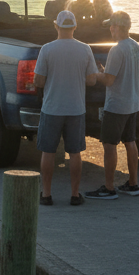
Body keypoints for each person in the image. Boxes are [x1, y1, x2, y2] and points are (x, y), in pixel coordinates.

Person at [33, 10, 98, 206]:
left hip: (52, 108)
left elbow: (39, 81)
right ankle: (75, 195)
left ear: (56, 26)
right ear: (75, 27)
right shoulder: (85, 49)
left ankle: (46, 194)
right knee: (75, 152)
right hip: (76, 108)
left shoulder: (47, 49)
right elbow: (92, 81)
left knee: (48, 152)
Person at [85, 11, 139, 199]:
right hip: (132, 103)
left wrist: (95, 73)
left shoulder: (116, 50)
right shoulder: (135, 46)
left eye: (112, 26)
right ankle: (133, 184)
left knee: (109, 144)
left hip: (116, 105)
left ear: (118, 27)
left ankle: (109, 188)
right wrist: (106, 72)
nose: (110, 29)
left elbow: (109, 80)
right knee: (130, 141)